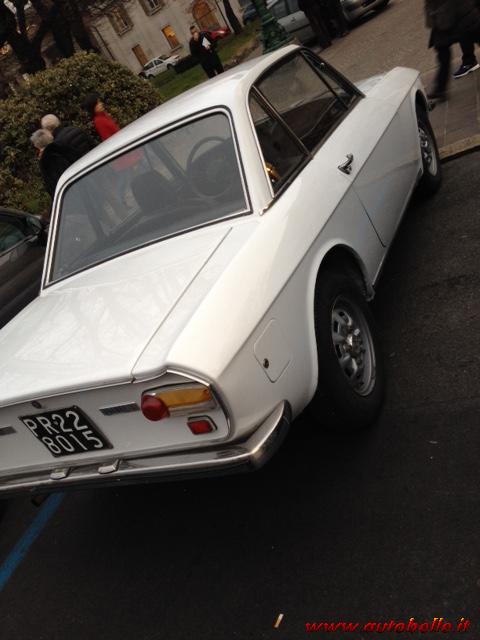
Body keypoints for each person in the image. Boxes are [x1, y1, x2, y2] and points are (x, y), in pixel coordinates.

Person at [425, 0, 480, 101]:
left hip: (459, 16)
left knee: (473, 34)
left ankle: (440, 90)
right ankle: (440, 90)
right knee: (442, 51)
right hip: (444, 19)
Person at [30, 129, 77, 197]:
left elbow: (53, 184)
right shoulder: (63, 146)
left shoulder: (46, 160)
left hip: (69, 193)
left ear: (37, 145)